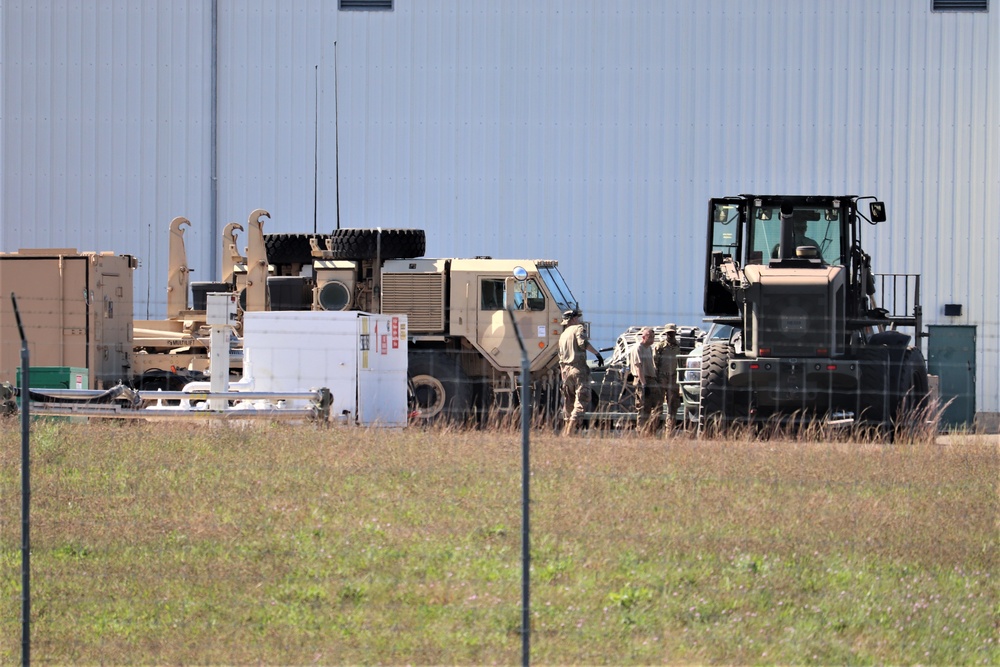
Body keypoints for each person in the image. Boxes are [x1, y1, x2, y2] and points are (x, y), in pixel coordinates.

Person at [558, 308, 603, 435]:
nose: (579, 319)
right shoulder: (578, 329)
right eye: (577, 317)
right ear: (573, 318)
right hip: (578, 369)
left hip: (566, 371)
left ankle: (566, 428)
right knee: (583, 398)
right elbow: (582, 343)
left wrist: (563, 375)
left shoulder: (563, 335)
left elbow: (560, 357)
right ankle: (570, 429)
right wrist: (596, 354)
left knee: (569, 401)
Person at [627, 327, 657, 434]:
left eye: (653, 337)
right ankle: (641, 431)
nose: (652, 339)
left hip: (651, 379)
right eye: (650, 337)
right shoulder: (638, 348)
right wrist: (644, 384)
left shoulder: (649, 348)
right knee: (642, 408)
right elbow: (638, 367)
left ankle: (649, 431)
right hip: (642, 380)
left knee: (651, 407)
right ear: (643, 337)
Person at [652, 323, 681, 432]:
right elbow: (654, 363)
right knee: (657, 405)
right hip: (661, 378)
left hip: (673, 378)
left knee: (673, 406)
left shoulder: (678, 346)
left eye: (672, 333)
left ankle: (669, 432)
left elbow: (681, 362)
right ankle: (652, 430)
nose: (670, 335)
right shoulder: (660, 347)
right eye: (668, 333)